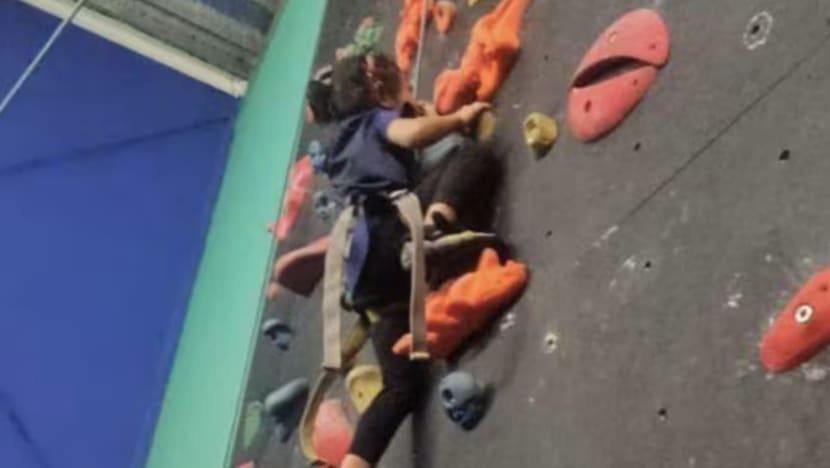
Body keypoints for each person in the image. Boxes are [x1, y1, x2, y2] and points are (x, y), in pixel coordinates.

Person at [310, 53, 501, 468]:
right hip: (393, 240)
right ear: (378, 90)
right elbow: (412, 135)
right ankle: (435, 228)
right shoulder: (374, 121)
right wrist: (456, 117)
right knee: (473, 156)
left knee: (400, 387)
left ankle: (355, 464)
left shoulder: (341, 145)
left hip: (370, 286)